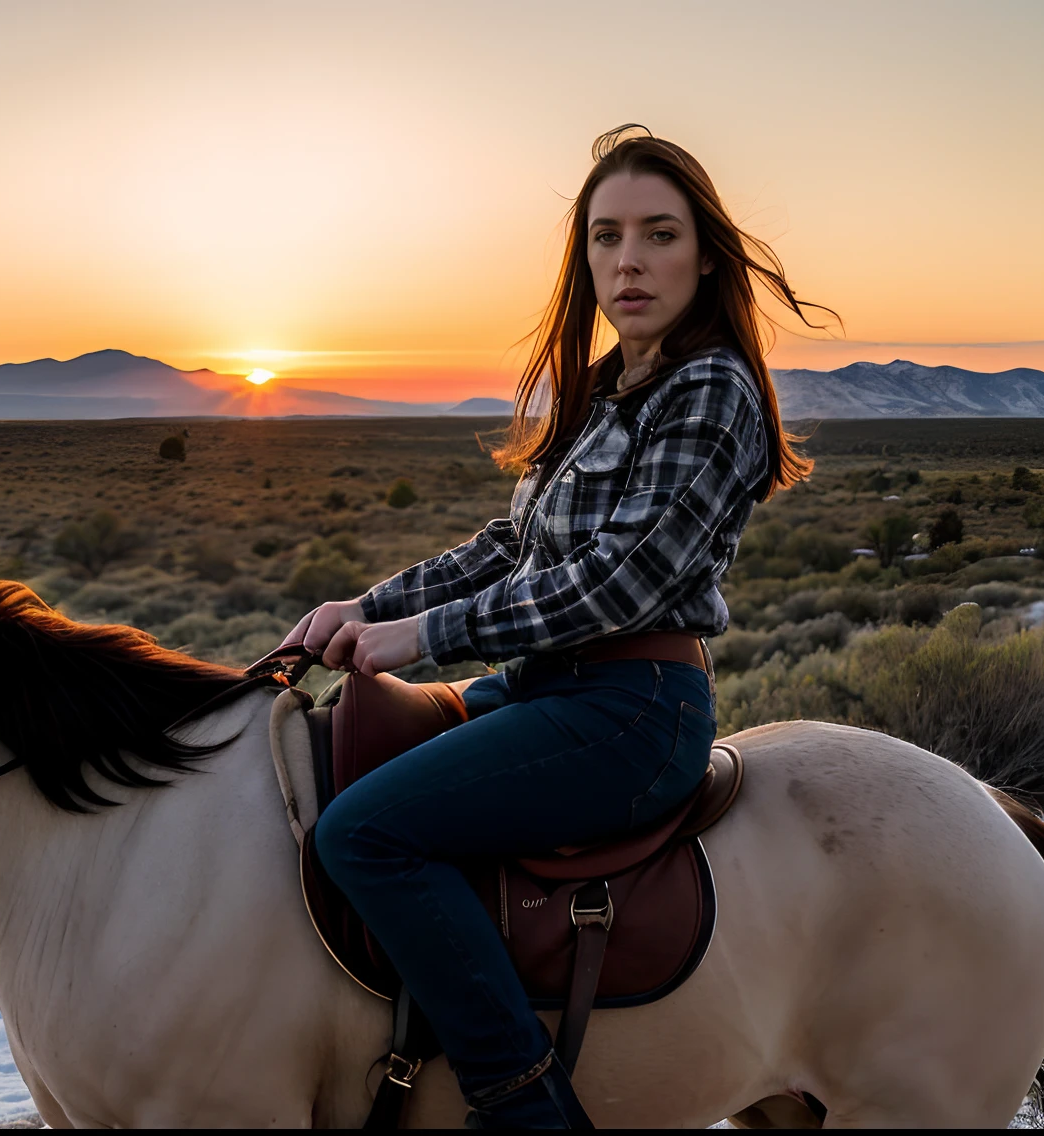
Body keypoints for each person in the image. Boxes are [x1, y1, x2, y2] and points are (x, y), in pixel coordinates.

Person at [280, 125, 832, 1128]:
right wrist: (372, 606)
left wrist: (424, 638)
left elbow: (615, 583)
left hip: (628, 705)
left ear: (703, 253)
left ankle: (524, 1102)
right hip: (544, 688)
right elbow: (509, 545)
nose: (627, 260)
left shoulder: (710, 390)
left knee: (364, 832)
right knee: (339, 765)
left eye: (657, 234)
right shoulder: (601, 392)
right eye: (604, 236)